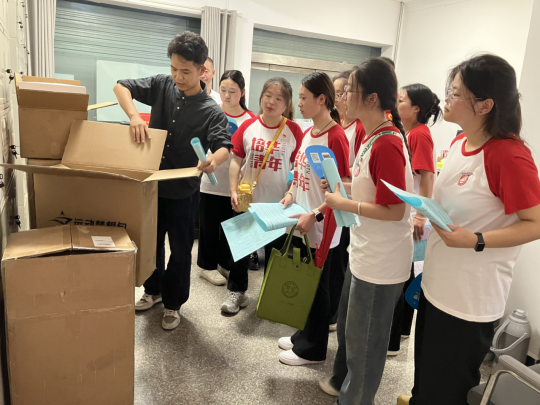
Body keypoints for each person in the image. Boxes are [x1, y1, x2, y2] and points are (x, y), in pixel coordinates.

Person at [398, 54, 540, 405]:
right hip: (436, 287)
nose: (447, 97)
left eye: (456, 93)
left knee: (445, 393)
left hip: (468, 302)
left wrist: (476, 240)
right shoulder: (460, 144)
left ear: (485, 105)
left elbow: (535, 223)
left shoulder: (508, 155)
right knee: (424, 387)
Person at [113, 32, 231, 331]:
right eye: (174, 68)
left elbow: (224, 147)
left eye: (186, 71)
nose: (178, 76)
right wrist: (134, 117)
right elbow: (121, 86)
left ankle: (173, 303)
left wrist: (213, 161)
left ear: (202, 70)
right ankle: (153, 291)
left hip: (183, 192)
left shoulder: (211, 111)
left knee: (180, 251)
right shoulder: (162, 85)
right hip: (151, 188)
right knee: (151, 245)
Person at [318, 57, 414, 404]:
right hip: (364, 252)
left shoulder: (387, 142)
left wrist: (345, 204)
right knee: (351, 334)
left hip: (380, 262)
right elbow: (372, 189)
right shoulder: (372, 136)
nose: (341, 98)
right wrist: (343, 189)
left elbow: (395, 210)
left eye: (348, 91)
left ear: (371, 98)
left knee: (365, 346)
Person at [278, 72, 350, 366]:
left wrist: (316, 214)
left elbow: (341, 189)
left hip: (320, 225)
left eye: (304, 97)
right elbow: (299, 173)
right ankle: (303, 335)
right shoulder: (310, 132)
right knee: (304, 281)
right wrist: (290, 194)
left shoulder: (336, 136)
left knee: (317, 287)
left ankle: (313, 349)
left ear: (322, 100)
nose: (299, 103)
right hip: (300, 219)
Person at [222, 77, 304, 314]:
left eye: (278, 98)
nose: (271, 101)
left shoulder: (294, 130)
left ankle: (270, 296)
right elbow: (236, 161)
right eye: (268, 95)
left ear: (287, 104)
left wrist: (291, 192)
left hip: (278, 203)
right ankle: (237, 292)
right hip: (248, 199)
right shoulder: (249, 125)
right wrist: (233, 190)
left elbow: (298, 167)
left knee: (275, 253)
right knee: (241, 249)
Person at [388, 83, 441, 356]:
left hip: (411, 215)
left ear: (416, 108)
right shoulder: (408, 132)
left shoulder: (419, 134)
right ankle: (401, 330)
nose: (397, 104)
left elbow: (427, 177)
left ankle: (394, 338)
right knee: (405, 270)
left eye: (402, 100)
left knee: (402, 274)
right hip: (407, 213)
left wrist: (421, 215)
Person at [198, 70, 255, 286]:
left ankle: (224, 262)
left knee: (232, 228)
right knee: (209, 227)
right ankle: (207, 267)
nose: (227, 95)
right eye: (223, 90)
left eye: (232, 91)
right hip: (211, 180)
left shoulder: (251, 120)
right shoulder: (211, 112)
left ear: (242, 92)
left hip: (238, 184)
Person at [329, 70, 366, 330]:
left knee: (340, 260)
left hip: (350, 200)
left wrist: (341, 172)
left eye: (340, 93)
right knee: (334, 259)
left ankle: (334, 315)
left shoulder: (360, 127)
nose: (336, 99)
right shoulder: (340, 123)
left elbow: (361, 169)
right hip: (338, 195)